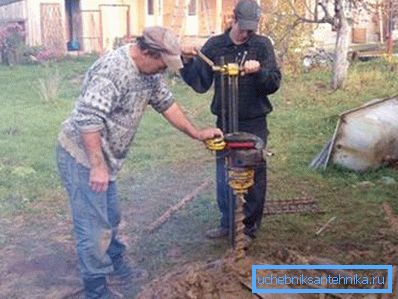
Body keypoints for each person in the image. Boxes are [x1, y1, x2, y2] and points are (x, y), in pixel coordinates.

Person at [56, 26, 222, 299]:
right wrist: (97, 166)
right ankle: (97, 290)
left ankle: (117, 265)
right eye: (161, 63)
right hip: (81, 156)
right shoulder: (112, 71)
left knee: (110, 215)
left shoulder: (149, 72)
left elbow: (165, 102)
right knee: (93, 225)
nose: (163, 70)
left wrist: (197, 133)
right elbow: (88, 120)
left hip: (103, 158)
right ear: (146, 51)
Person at [180, 0, 281, 245]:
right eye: (243, 27)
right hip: (223, 121)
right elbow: (201, 83)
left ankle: (248, 227)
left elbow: (274, 83)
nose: (247, 32)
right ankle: (228, 222)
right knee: (224, 171)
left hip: (253, 121)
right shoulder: (215, 45)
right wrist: (186, 61)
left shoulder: (261, 45)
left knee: (253, 172)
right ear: (233, 17)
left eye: (251, 28)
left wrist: (259, 71)